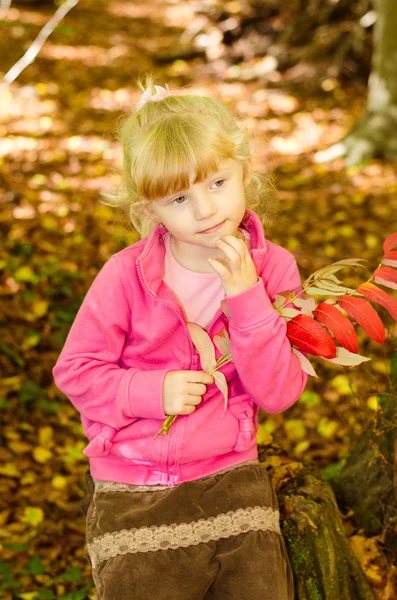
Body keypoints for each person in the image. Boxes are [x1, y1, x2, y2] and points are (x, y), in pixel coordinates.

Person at [52, 73, 308, 600]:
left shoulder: (274, 269)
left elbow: (279, 393)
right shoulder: (125, 275)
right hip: (132, 480)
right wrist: (150, 393)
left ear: (244, 173)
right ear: (148, 209)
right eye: (178, 198)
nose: (206, 209)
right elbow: (75, 371)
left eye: (217, 184)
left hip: (230, 474)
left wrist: (246, 297)